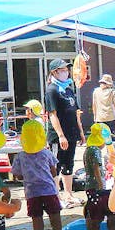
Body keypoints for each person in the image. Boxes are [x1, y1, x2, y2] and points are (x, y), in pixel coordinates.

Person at [11, 120, 64, 230]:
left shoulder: (20, 156)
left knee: (37, 227)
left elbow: (17, 176)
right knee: (56, 224)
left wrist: (29, 175)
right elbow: (54, 172)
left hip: (32, 194)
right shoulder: (46, 153)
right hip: (49, 192)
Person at [44, 58, 85, 208]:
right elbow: (52, 114)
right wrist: (61, 135)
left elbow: (76, 112)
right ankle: (56, 196)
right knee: (57, 164)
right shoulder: (52, 90)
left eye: (67, 70)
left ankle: (69, 194)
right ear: (54, 72)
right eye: (62, 70)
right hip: (59, 136)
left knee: (69, 164)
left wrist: (80, 132)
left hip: (72, 132)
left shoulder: (68, 89)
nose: (66, 73)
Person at [83, 123, 115, 230]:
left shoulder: (87, 150)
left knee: (94, 225)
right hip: (99, 191)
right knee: (112, 223)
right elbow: (97, 169)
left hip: (92, 192)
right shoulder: (96, 151)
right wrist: (101, 184)